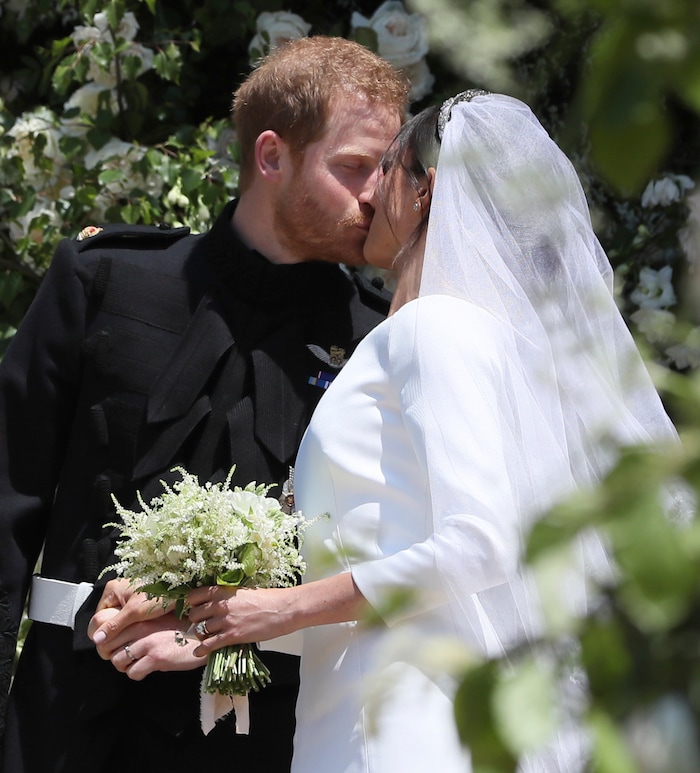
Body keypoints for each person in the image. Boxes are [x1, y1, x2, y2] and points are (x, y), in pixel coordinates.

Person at [179, 91, 688, 771]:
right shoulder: (467, 336)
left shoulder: (435, 328)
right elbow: (405, 580)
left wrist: (281, 607)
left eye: (384, 168)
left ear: (427, 191)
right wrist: (219, 625)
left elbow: (482, 543)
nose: (366, 196)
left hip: (402, 730)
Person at [0, 36, 407, 773]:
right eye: (352, 167)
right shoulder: (105, 281)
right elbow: (8, 499)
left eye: (385, 168)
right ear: (273, 155)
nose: (375, 193)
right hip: (64, 721)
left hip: (268, 732)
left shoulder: (377, 340)